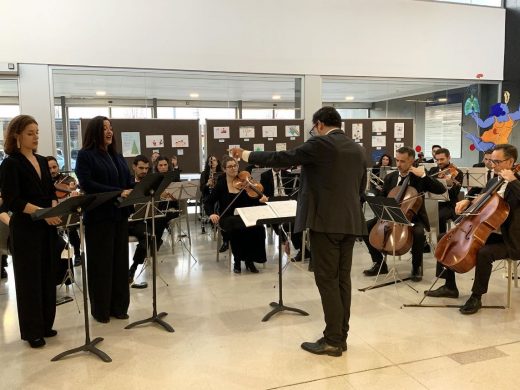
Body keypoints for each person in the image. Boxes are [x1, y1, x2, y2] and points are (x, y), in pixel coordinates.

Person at [231, 106, 366, 357]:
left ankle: (333, 340)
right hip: (350, 222)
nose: (314, 131)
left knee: (327, 280)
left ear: (319, 124)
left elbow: (282, 157)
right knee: (342, 280)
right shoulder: (357, 148)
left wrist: (246, 154)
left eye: (314, 127)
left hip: (326, 223)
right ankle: (340, 335)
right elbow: (361, 187)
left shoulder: (322, 144)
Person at [425, 144, 520, 315]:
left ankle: (476, 296)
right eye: (491, 161)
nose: (493, 165)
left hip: (510, 238)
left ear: (511, 161)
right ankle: (449, 286)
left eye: (497, 162)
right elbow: (482, 200)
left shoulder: (517, 183)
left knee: (484, 252)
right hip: (489, 231)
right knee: (445, 237)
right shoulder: (493, 181)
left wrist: (513, 181)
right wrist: (468, 201)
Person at [0, 115, 61, 348]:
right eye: (30, 133)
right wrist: (43, 213)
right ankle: (32, 331)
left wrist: (55, 207)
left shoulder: (43, 160)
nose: (35, 136)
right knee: (29, 281)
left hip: (45, 227)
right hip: (25, 229)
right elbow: (13, 201)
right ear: (17, 136)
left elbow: (50, 192)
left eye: (37, 132)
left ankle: (46, 324)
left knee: (47, 274)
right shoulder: (10, 164)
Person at [75, 116, 133, 323]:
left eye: (111, 128)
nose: (109, 132)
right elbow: (87, 184)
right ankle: (101, 310)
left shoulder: (116, 156)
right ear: (95, 132)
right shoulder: (85, 155)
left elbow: (128, 181)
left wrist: (134, 191)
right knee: (101, 265)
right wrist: (119, 192)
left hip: (119, 215)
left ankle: (119, 306)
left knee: (119, 262)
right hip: (99, 217)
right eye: (104, 128)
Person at [362, 146, 446, 281]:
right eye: (397, 160)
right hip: (390, 216)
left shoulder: (419, 177)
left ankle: (416, 266)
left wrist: (424, 175)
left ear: (411, 161)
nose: (398, 164)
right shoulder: (390, 177)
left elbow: (440, 189)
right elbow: (383, 196)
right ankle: (379, 263)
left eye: (402, 161)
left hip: (413, 217)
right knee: (365, 227)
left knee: (418, 233)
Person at [205, 155, 268, 274]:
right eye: (230, 167)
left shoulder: (245, 181)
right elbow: (208, 201)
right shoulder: (221, 184)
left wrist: (260, 200)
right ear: (224, 169)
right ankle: (238, 261)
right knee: (237, 228)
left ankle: (250, 260)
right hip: (228, 217)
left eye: (235, 166)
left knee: (258, 228)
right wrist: (212, 214)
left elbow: (252, 199)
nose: (233, 169)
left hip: (245, 214)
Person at [46, 156, 82, 266]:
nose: (52, 170)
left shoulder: (67, 179)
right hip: (50, 214)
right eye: (49, 168)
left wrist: (72, 189)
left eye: (54, 167)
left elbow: (72, 187)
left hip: (66, 212)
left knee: (71, 227)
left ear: (58, 167)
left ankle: (77, 254)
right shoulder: (44, 182)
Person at [128, 155, 152, 287]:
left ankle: (133, 268)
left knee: (147, 237)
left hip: (138, 221)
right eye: (141, 168)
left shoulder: (149, 184)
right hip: (123, 221)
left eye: (146, 168)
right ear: (134, 167)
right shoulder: (126, 182)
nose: (144, 171)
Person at [428, 148, 464, 235]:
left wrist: (449, 185)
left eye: (442, 159)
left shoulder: (457, 172)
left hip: (448, 204)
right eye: (437, 160)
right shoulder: (433, 170)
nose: (439, 162)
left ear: (449, 158)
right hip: (432, 203)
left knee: (439, 216)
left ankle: (441, 238)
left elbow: (454, 194)